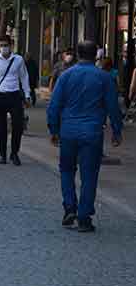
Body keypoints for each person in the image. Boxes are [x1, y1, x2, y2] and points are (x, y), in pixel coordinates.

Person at [47, 41, 123, 233]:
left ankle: (69, 207)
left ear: (78, 54)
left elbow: (54, 105)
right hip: (92, 131)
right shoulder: (104, 78)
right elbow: (113, 107)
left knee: (66, 170)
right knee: (89, 175)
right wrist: (116, 130)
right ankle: (84, 216)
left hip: (69, 131)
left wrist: (54, 130)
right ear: (95, 56)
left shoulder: (65, 76)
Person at [0, 35, 31, 165]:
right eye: (1, 45)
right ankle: (3, 154)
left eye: (6, 45)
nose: (3, 48)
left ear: (11, 45)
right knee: (1, 128)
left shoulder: (18, 60)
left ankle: (14, 153)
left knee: (18, 125)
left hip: (15, 95)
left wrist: (27, 95)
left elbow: (24, 77)